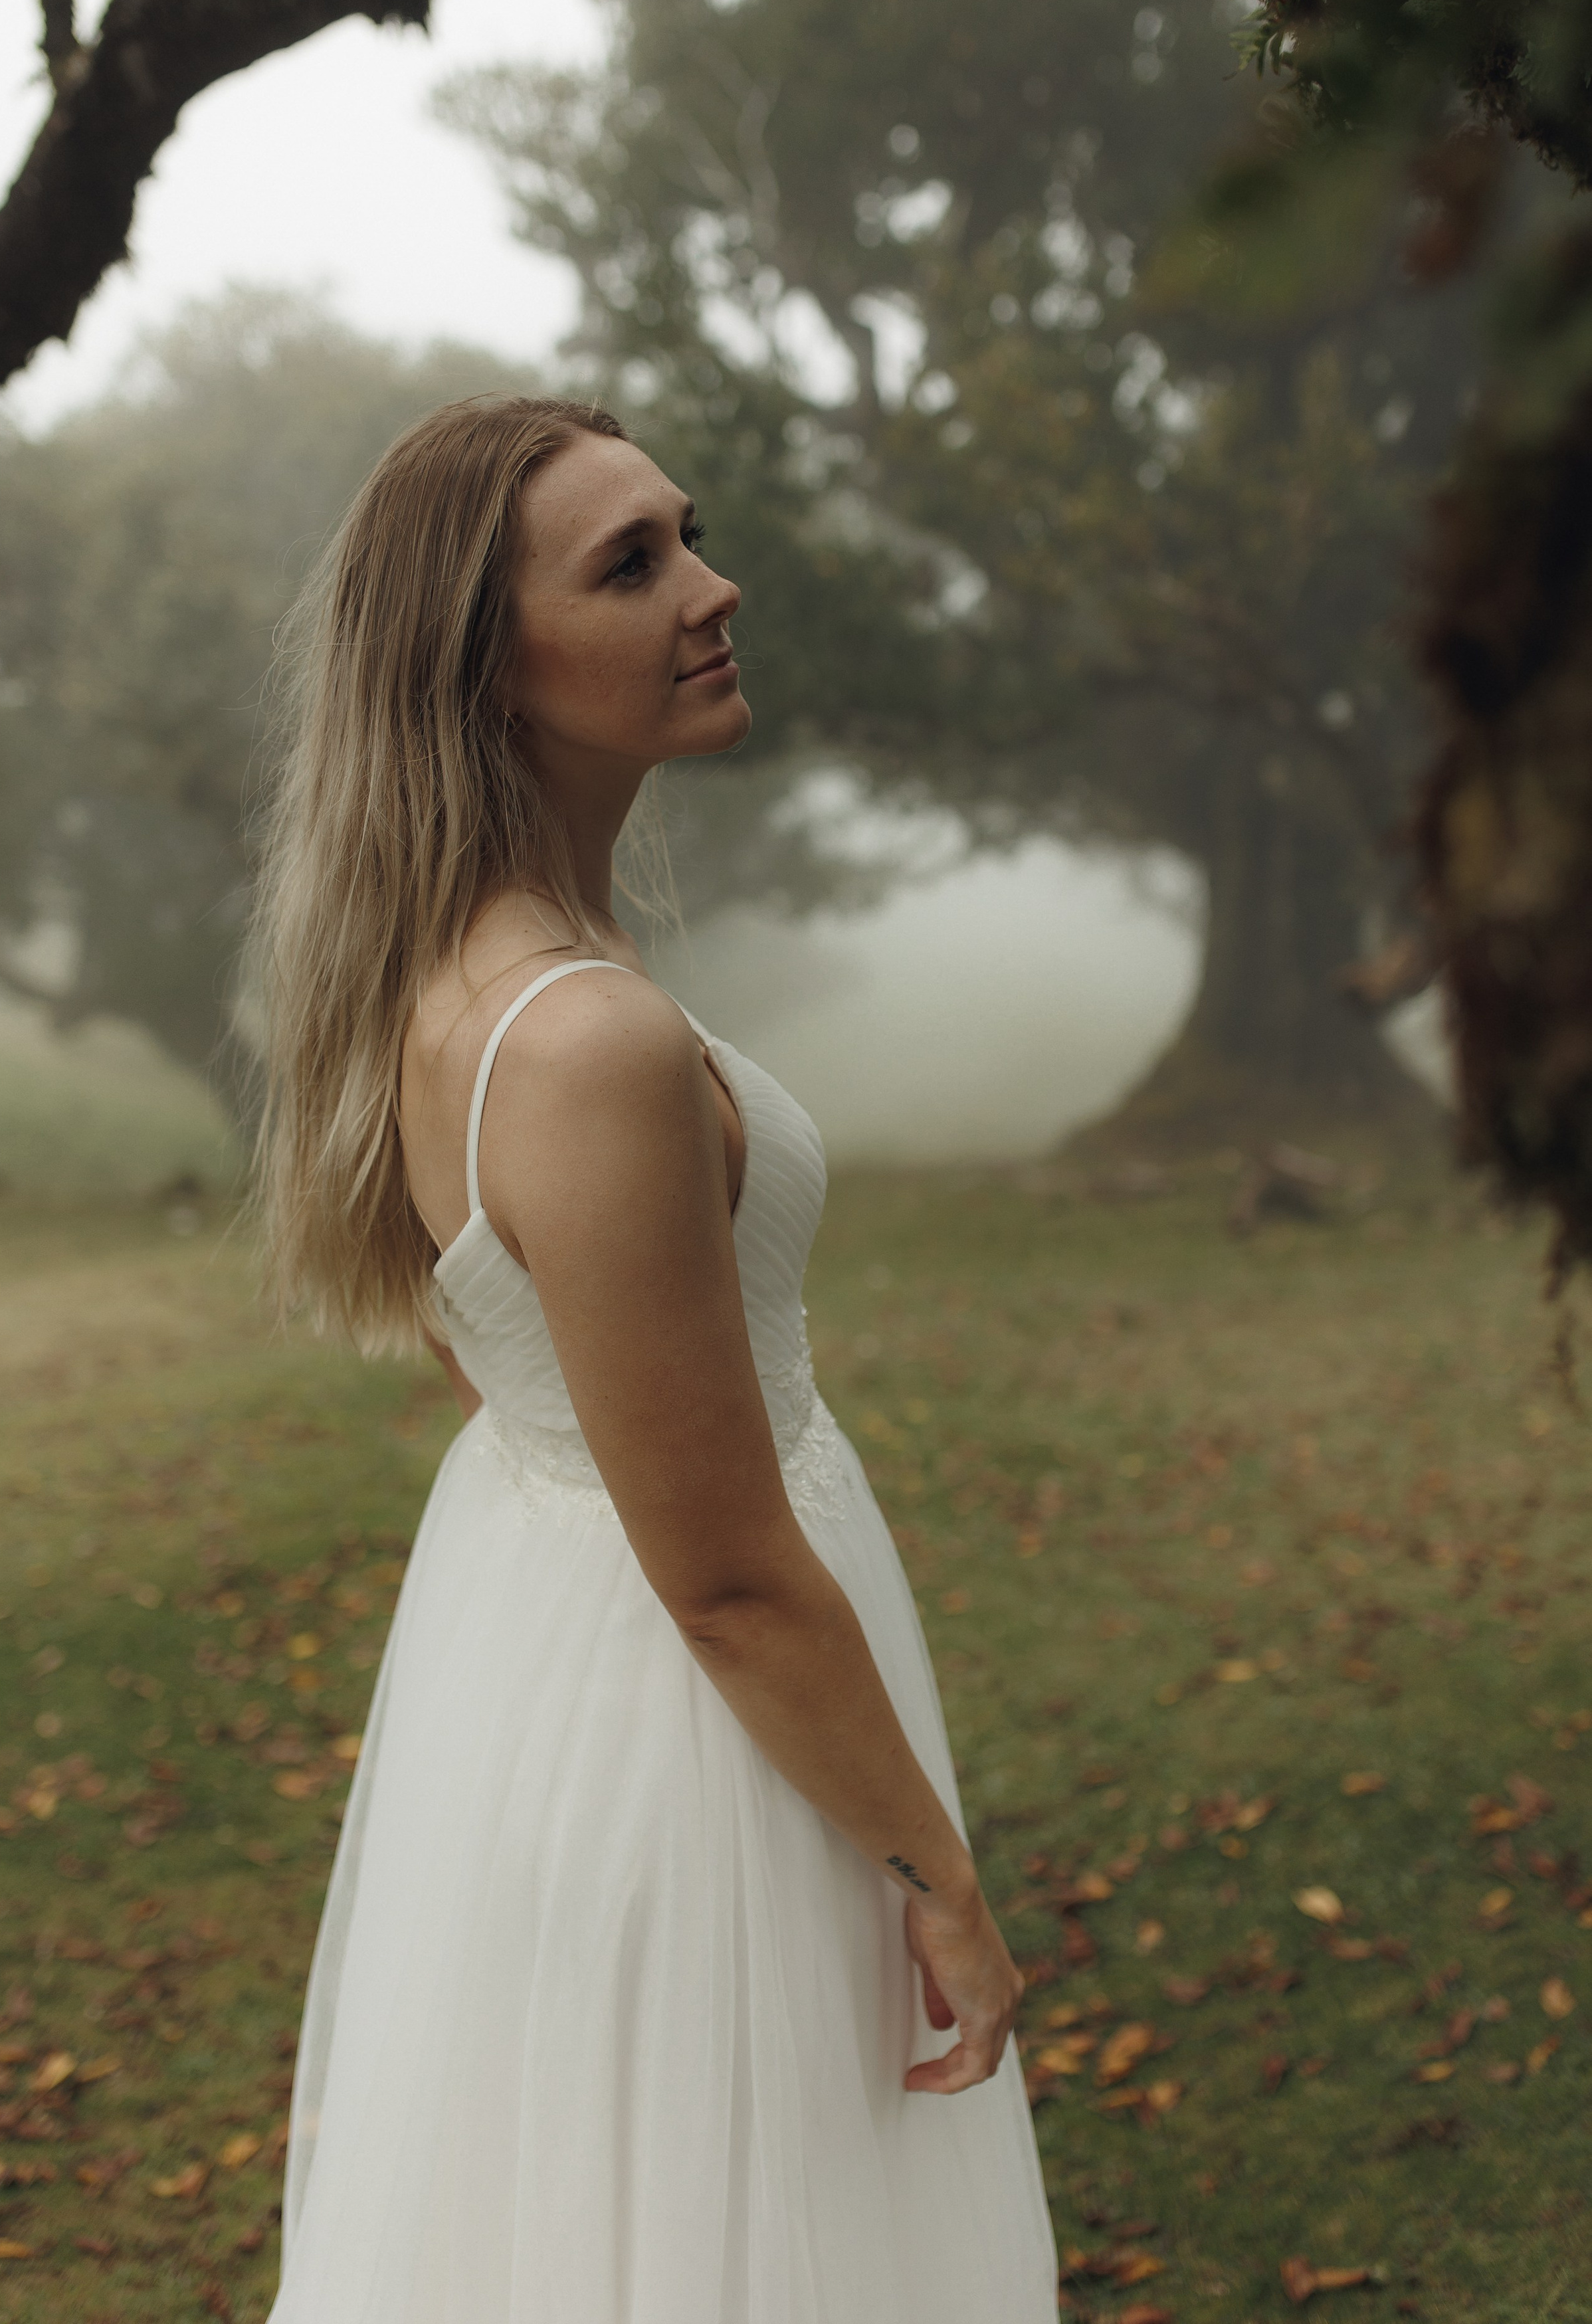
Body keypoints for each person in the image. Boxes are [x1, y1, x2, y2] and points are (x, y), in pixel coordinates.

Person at [250, 395, 1059, 2321]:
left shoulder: (454, 974)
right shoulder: (584, 1041)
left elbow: (511, 1372)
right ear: (483, 661)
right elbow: (716, 1571)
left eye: (683, 535)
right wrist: (940, 1871)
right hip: (692, 1720)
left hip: (551, 1675)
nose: (715, 589)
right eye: (633, 565)